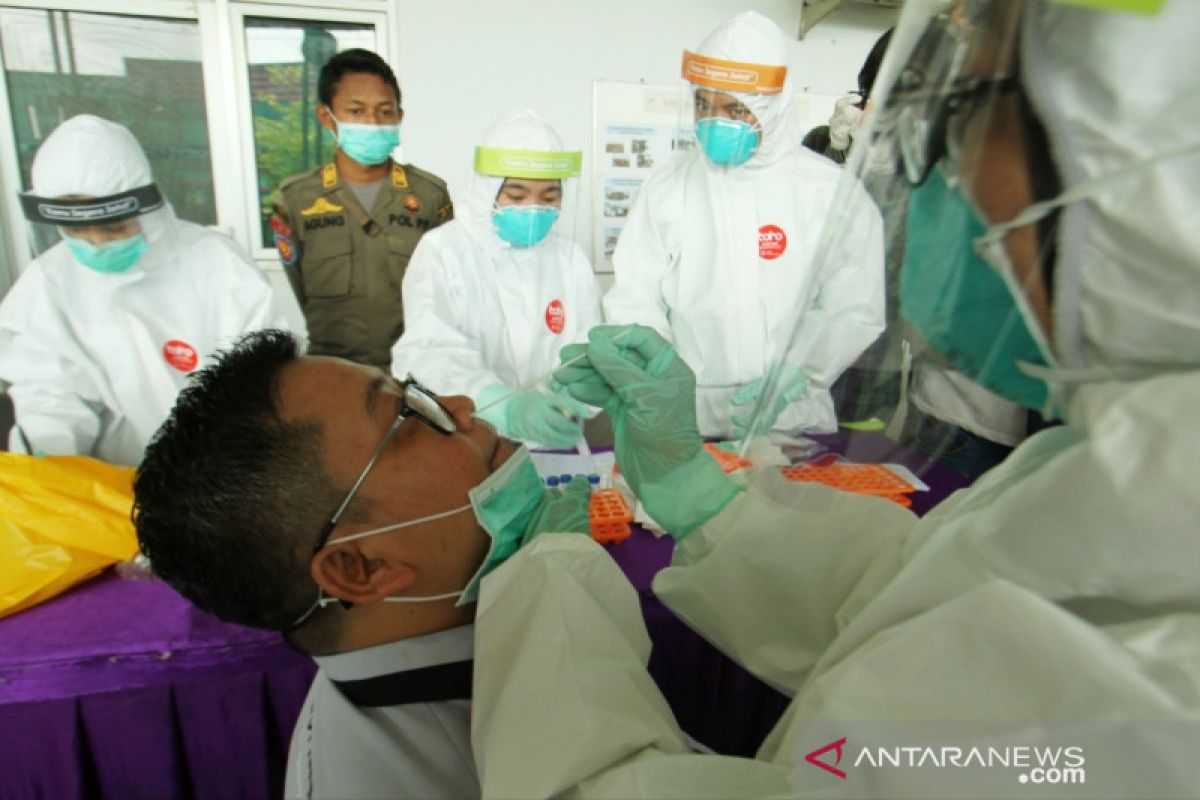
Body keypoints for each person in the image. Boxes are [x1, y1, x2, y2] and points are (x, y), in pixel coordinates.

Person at [466, 0, 1200, 796]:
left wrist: (545, 591)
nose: (940, 173)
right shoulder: (1110, 474)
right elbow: (916, 590)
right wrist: (704, 501)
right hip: (699, 431)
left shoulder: (1150, 664)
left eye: (961, 114)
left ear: (1131, 162)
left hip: (791, 426)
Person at [132, 328, 593, 799]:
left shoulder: (414, 676)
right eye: (409, 419)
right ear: (359, 567)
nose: (460, 405)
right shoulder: (453, 768)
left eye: (416, 390)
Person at [603, 11, 885, 440]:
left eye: (735, 108)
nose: (714, 121)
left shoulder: (828, 192)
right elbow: (634, 295)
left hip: (793, 419)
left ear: (772, 107)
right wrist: (659, 374)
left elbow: (855, 303)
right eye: (703, 103)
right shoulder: (667, 188)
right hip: (687, 419)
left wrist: (797, 375)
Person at [0, 114, 285, 466]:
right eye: (76, 232)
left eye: (114, 228)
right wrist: (51, 464)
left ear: (148, 211)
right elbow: (49, 395)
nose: (97, 244)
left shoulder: (216, 265)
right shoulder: (48, 285)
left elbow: (263, 377)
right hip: (110, 484)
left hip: (217, 476)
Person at [391, 110, 602, 449]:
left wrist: (575, 391)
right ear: (486, 191)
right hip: (468, 441)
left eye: (549, 197)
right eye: (516, 196)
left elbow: (587, 348)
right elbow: (430, 349)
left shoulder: (570, 260)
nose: (534, 208)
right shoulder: (443, 252)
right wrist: (504, 406)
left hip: (555, 442)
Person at [271, 48, 453, 370]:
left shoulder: (429, 196)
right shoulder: (297, 200)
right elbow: (300, 287)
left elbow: (447, 285)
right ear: (327, 117)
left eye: (385, 111)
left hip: (415, 370)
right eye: (356, 112)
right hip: (332, 374)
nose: (372, 122)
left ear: (400, 116)